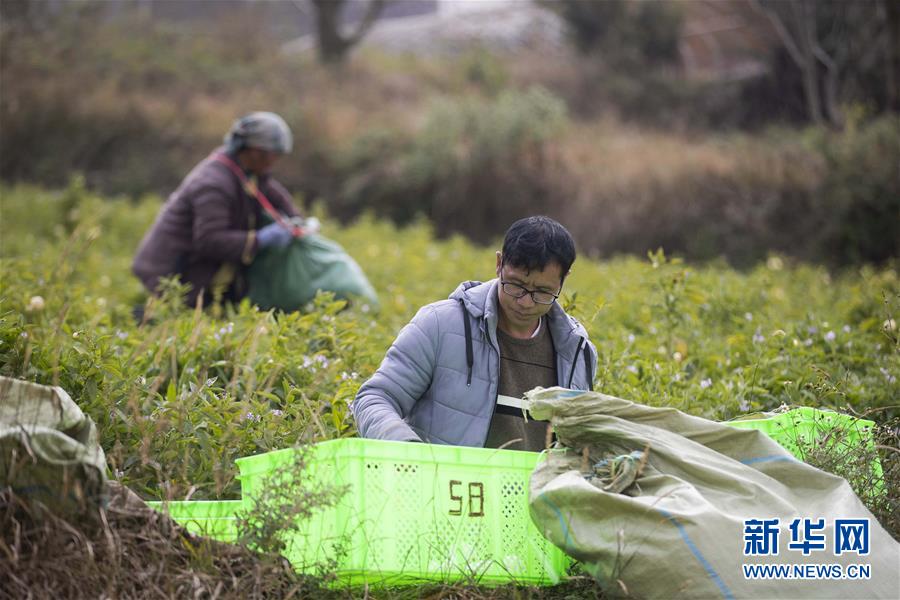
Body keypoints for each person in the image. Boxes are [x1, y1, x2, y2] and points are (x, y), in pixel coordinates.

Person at [351, 216, 597, 451]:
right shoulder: (440, 325)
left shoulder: (577, 352)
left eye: (542, 292)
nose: (525, 302)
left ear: (564, 280)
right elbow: (375, 398)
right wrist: (409, 451)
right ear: (499, 264)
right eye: (516, 285)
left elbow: (581, 441)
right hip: (443, 481)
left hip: (535, 483)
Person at [132, 111, 301, 308]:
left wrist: (297, 221)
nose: (275, 161)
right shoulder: (213, 184)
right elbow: (210, 240)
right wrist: (260, 239)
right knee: (170, 319)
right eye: (274, 154)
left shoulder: (247, 171)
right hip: (172, 275)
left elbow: (275, 196)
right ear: (255, 151)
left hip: (204, 272)